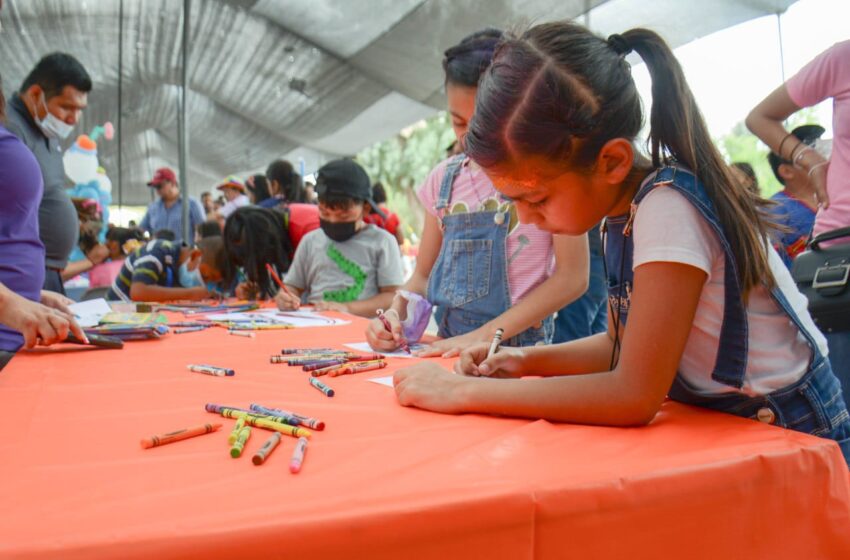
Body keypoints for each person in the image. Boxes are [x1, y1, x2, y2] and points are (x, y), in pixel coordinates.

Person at [392, 23, 850, 465]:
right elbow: (618, 345)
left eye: (536, 198)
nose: (525, 220)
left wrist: (464, 392)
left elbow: (633, 394)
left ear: (611, 160)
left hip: (793, 430)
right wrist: (520, 359)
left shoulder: (667, 207)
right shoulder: (622, 214)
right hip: (733, 424)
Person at [365, 29, 589, 356]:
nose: (471, 138)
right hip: (448, 349)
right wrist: (392, 317)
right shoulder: (443, 181)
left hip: (519, 354)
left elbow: (573, 277)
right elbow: (422, 276)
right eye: (458, 123)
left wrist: (484, 336)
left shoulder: (545, 173)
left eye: (484, 122)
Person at [747, 40, 850, 416]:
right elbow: (760, 116)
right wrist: (809, 159)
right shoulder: (843, 58)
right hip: (842, 257)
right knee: (844, 411)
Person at [0, 70, 86, 370]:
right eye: (67, 107)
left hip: (17, 338)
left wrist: (27, 295)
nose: (72, 119)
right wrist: (9, 304)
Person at [4, 53, 92, 294]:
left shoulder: (47, 135)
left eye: (80, 109)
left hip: (46, 277)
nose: (73, 118)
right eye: (66, 107)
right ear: (35, 94)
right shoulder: (10, 130)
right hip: (14, 283)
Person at [275, 159, 404, 318]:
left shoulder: (382, 242)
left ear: (365, 208)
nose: (333, 221)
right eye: (325, 213)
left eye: (343, 215)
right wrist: (285, 296)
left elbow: (392, 296)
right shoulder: (310, 241)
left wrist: (347, 308)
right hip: (316, 323)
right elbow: (292, 286)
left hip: (362, 330)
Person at [766, 125, 823, 268]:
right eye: (810, 156)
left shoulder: (833, 197)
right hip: (805, 287)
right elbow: (769, 260)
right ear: (787, 171)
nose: (822, 159)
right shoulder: (776, 208)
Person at [105, 237, 225, 302]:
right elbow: (138, 292)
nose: (205, 284)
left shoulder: (178, 269)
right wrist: (190, 293)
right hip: (117, 313)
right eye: (205, 276)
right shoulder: (157, 251)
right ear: (195, 256)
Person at [138, 167, 205, 245]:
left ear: (172, 183)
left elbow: (202, 231)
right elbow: (141, 229)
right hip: (159, 254)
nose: (157, 190)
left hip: (184, 254)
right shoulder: (152, 207)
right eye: (155, 187)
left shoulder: (192, 204)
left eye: (159, 186)